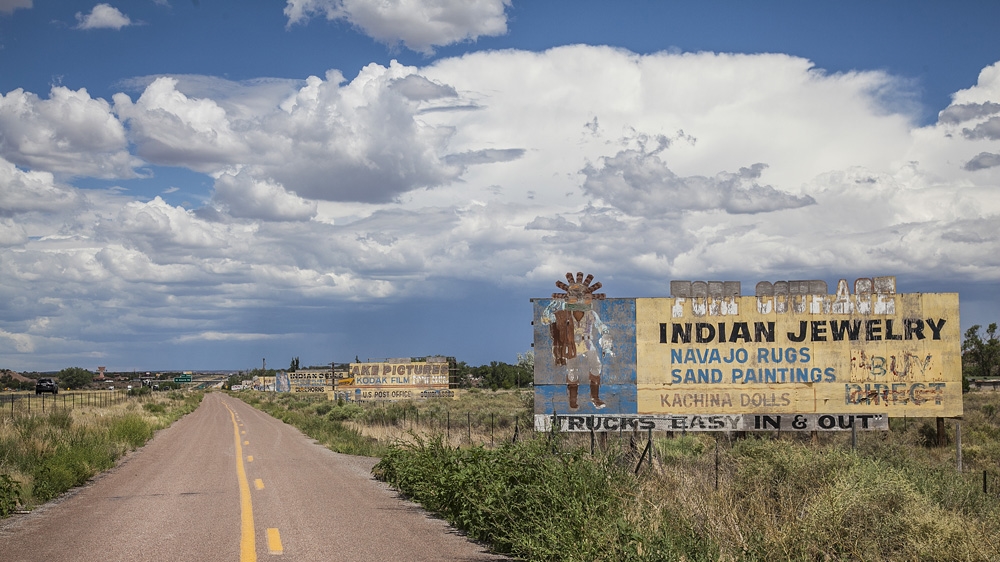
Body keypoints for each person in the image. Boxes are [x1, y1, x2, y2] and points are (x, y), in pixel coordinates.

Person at [541, 272, 613, 410]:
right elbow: (546, 320)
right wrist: (549, 309)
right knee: (572, 371)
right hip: (571, 344)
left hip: (587, 343)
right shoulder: (564, 314)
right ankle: (573, 400)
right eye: (575, 296)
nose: (579, 299)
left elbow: (600, 325)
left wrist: (605, 334)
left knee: (596, 365)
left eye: (583, 296)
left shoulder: (591, 314)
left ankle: (595, 397)